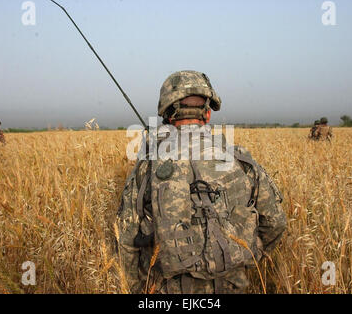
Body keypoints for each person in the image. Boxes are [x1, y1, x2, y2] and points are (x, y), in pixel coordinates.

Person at [116, 70, 287, 294]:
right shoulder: (240, 159)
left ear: (167, 114)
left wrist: (140, 289)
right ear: (207, 114)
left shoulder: (148, 165)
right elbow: (275, 223)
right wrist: (247, 254)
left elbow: (126, 237)